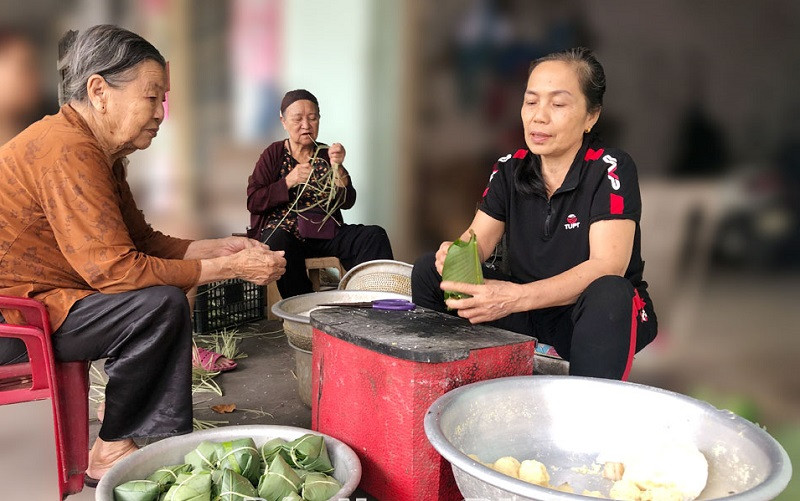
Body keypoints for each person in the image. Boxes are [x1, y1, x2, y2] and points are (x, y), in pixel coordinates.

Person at [0, 25, 286, 484]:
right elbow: (117, 272)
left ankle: (122, 435)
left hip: (41, 305)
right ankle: (112, 448)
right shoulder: (67, 149)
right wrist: (229, 268)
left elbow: (142, 243)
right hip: (14, 323)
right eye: (151, 98)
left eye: (163, 100)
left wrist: (221, 247)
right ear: (99, 91)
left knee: (159, 298)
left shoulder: (94, 151)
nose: (161, 113)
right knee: (158, 306)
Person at [412, 47, 657, 380]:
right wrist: (454, 256)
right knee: (429, 271)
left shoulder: (609, 169)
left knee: (610, 290)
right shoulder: (509, 169)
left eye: (557, 104)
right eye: (531, 102)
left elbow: (608, 265)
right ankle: (446, 386)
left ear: (591, 116)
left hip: (587, 316)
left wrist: (514, 298)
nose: (539, 116)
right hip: (530, 313)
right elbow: (476, 241)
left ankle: (586, 412)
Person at [247, 89, 393, 298]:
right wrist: (289, 181)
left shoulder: (326, 154)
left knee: (373, 235)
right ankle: (303, 308)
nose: (306, 125)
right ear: (283, 121)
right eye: (297, 119)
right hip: (287, 237)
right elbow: (254, 200)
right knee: (276, 240)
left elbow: (348, 201)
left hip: (322, 233)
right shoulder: (274, 153)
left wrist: (339, 168)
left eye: (312, 118)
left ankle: (376, 299)